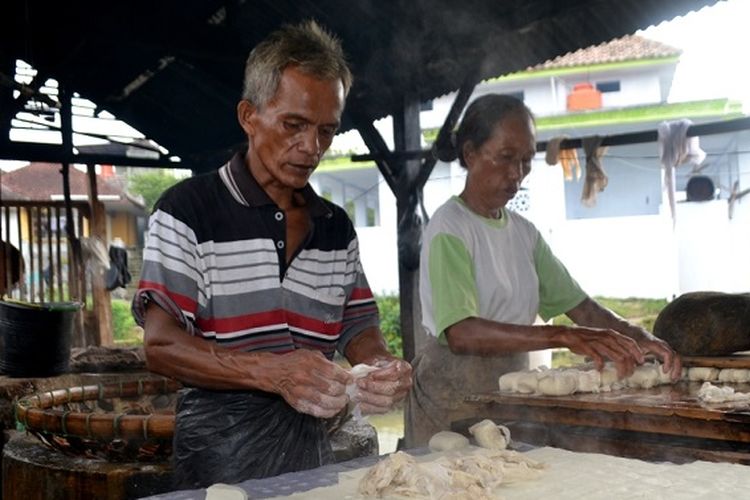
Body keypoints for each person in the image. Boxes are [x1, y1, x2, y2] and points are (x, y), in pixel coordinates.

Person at [132, 20, 412, 489]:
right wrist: (274, 371)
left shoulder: (334, 227)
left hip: (314, 450)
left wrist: (380, 364)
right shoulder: (189, 211)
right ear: (249, 116)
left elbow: (357, 327)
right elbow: (161, 347)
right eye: (294, 125)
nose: (312, 148)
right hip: (220, 454)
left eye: (327, 131)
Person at [405, 94, 682, 447]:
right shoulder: (450, 227)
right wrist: (562, 336)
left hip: (510, 398)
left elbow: (581, 307)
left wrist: (636, 336)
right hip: (450, 401)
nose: (516, 174)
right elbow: (462, 333)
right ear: (471, 154)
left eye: (525, 161)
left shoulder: (523, 233)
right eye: (506, 158)